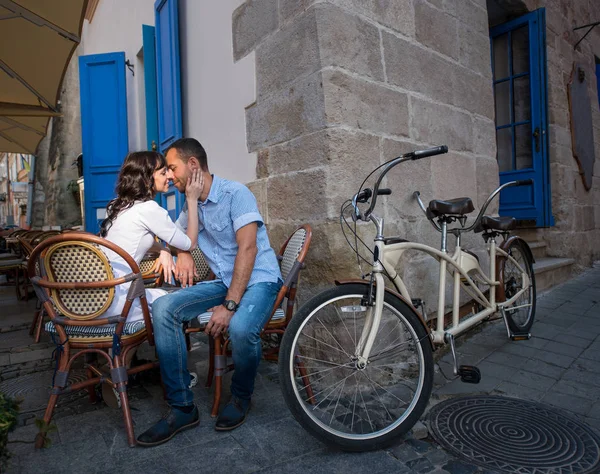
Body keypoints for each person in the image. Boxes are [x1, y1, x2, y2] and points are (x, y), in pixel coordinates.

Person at [137, 138, 282, 447]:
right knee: (164, 309)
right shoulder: (193, 205)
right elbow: (172, 239)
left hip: (259, 279)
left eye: (173, 168)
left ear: (193, 166)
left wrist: (229, 305)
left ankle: (241, 397)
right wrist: (174, 253)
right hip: (223, 280)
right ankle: (182, 407)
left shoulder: (235, 194)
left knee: (241, 329)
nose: (170, 176)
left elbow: (248, 248)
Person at [100, 151, 203, 323]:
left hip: (100, 299)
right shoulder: (149, 209)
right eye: (163, 172)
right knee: (179, 303)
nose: (169, 176)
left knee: (161, 295)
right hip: (123, 304)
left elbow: (132, 240)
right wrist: (192, 200)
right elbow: (190, 244)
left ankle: (122, 349)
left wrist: (163, 250)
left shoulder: (114, 206)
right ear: (147, 178)